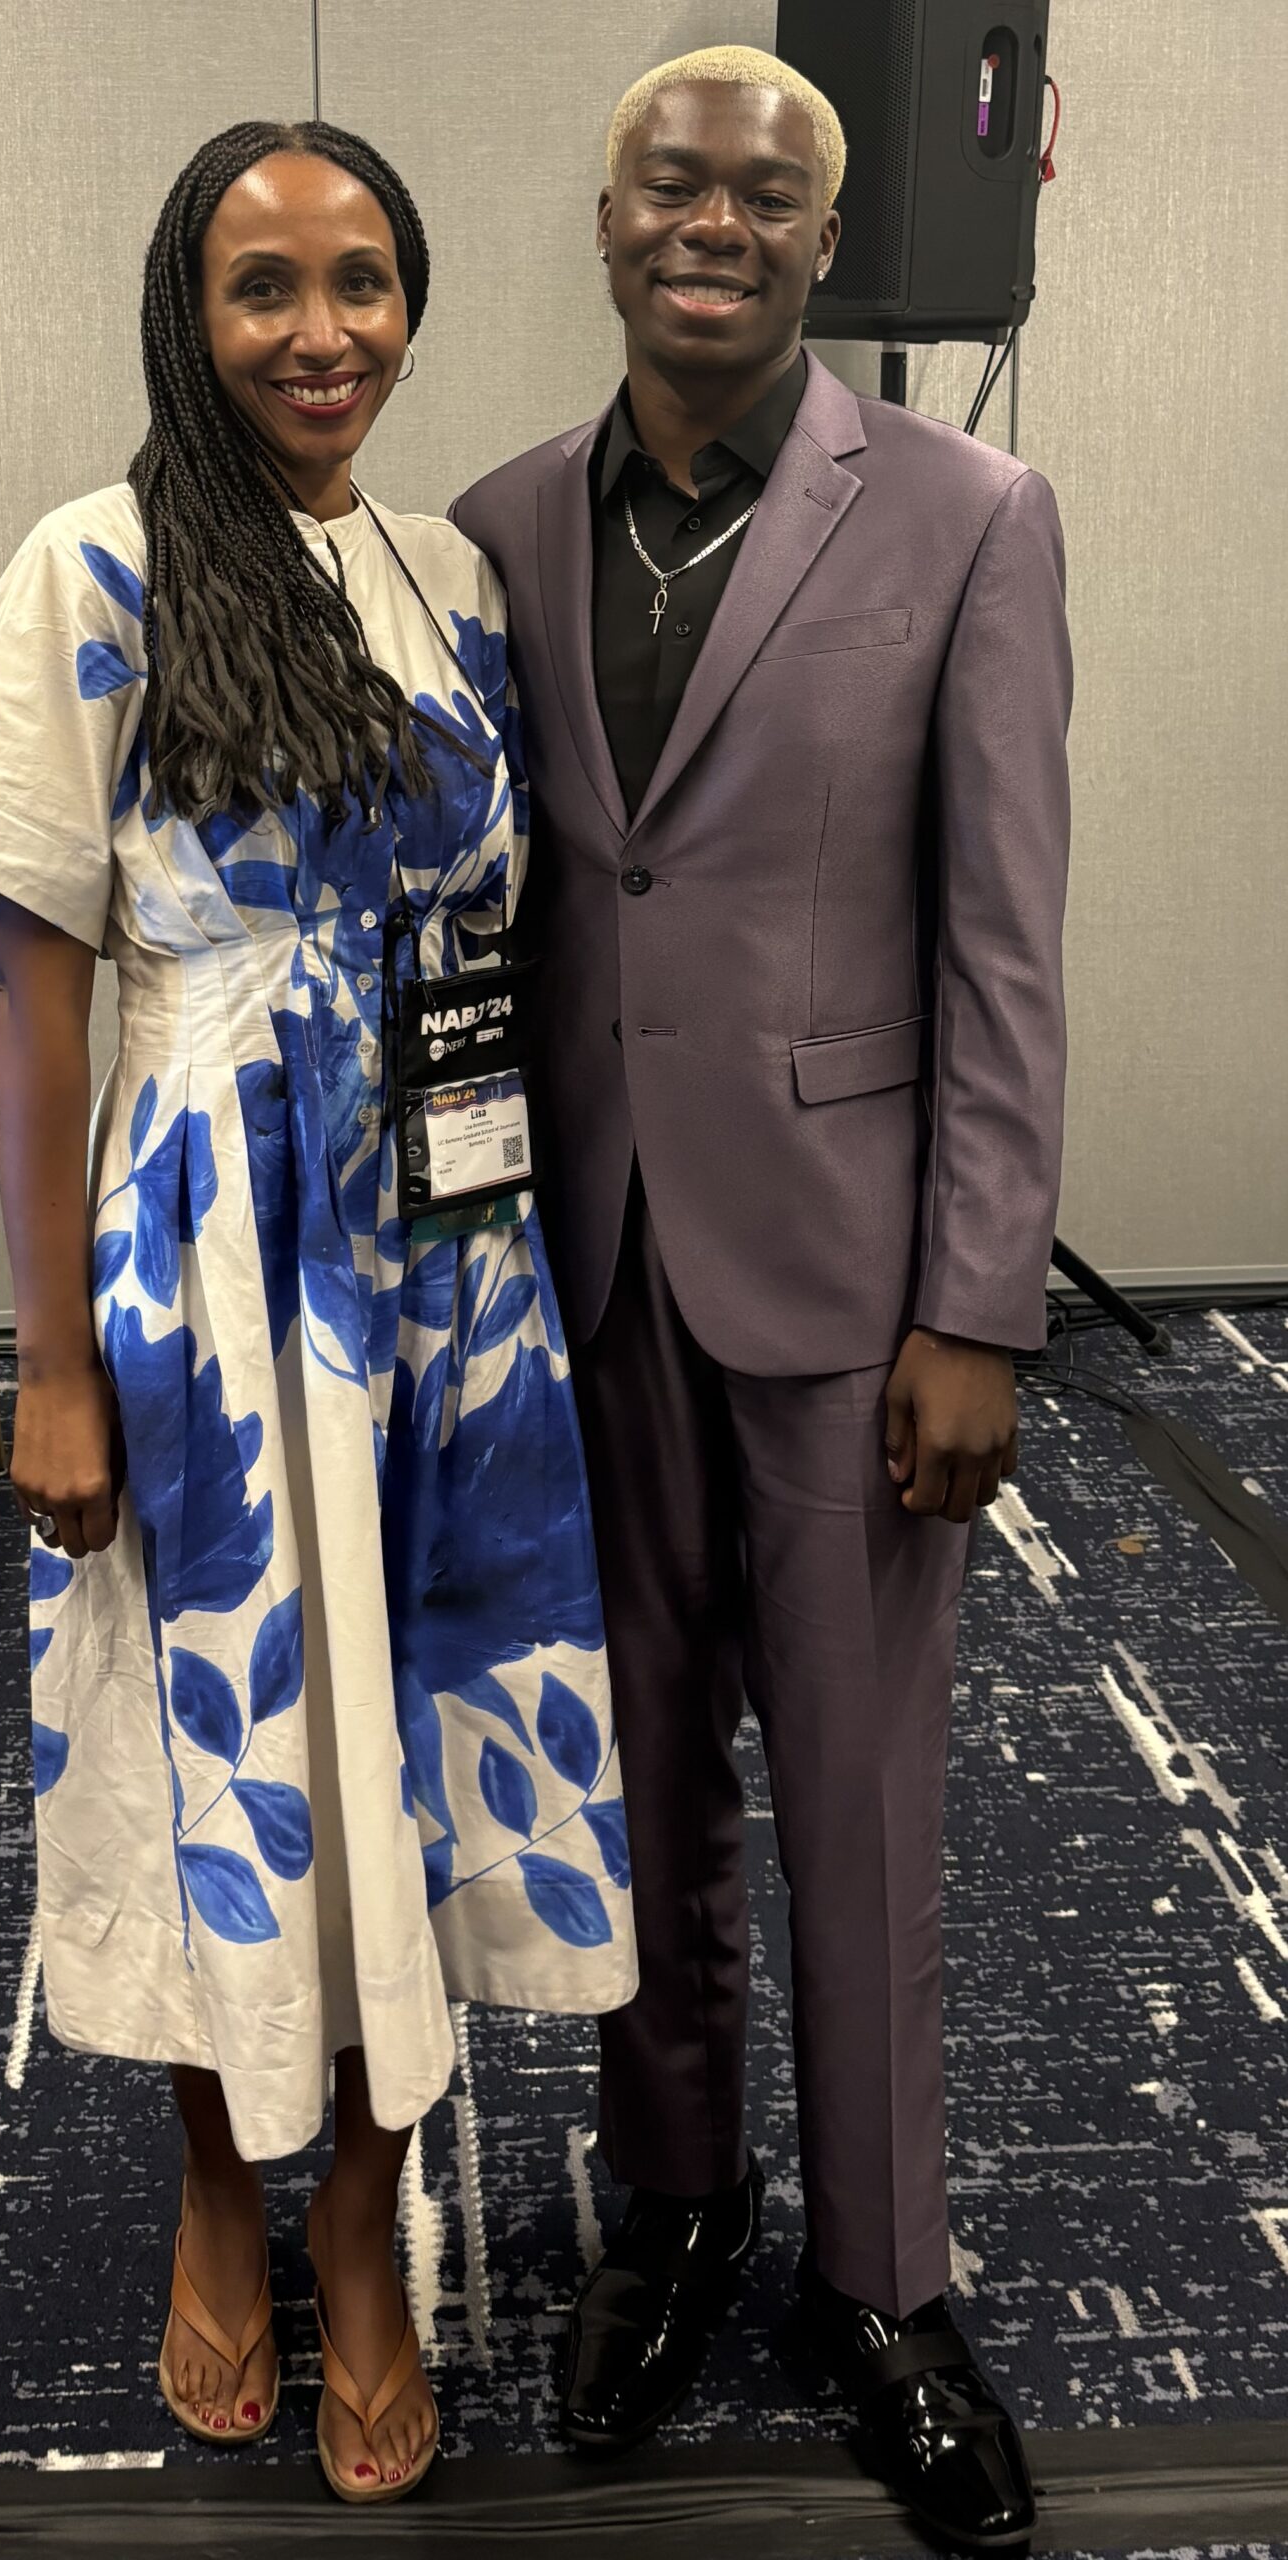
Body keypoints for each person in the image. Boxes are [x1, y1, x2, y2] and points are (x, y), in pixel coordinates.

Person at [0, 119, 635, 2504]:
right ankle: (225, 2172)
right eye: (260, 287)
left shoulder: (450, 577)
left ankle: (354, 2224)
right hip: (210, 1261)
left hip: (449, 1261)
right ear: (182, 316)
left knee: (401, 1750)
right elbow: (37, 1005)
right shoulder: (89, 566)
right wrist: (48, 1356)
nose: (320, 331)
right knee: (234, 1752)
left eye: (362, 281)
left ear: (411, 302)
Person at [453, 44, 1069, 2553]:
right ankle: (677, 2198)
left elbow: (1002, 943)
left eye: (772, 192)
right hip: (578, 1272)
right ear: (605, 215)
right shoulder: (490, 525)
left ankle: (883, 2281)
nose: (717, 220)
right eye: (673, 181)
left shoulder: (965, 514)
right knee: (635, 1785)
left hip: (850, 1287)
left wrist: (984, 1303)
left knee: (860, 1796)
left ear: (829, 240)